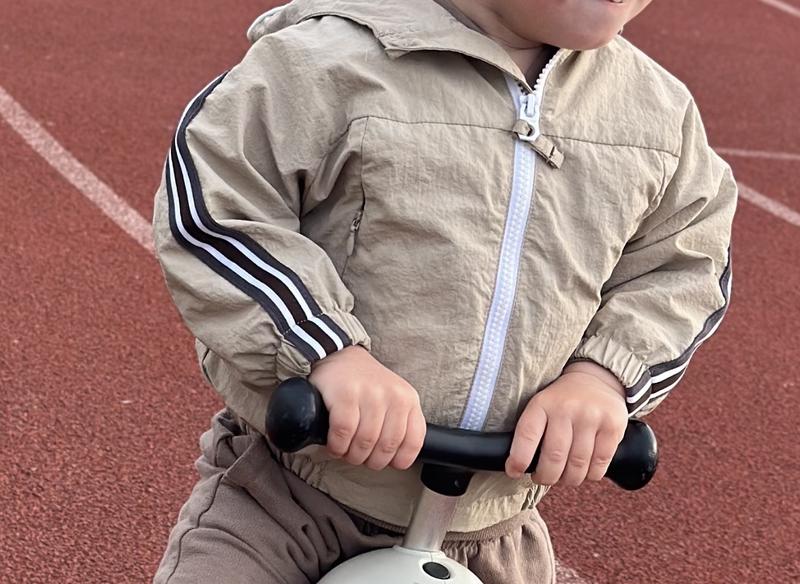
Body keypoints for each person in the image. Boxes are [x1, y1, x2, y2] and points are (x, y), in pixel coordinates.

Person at [151, 0, 736, 582]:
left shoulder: (657, 114)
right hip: (287, 501)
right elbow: (218, 212)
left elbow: (687, 263)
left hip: (492, 530)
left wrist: (604, 376)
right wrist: (326, 350)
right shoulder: (322, 61)